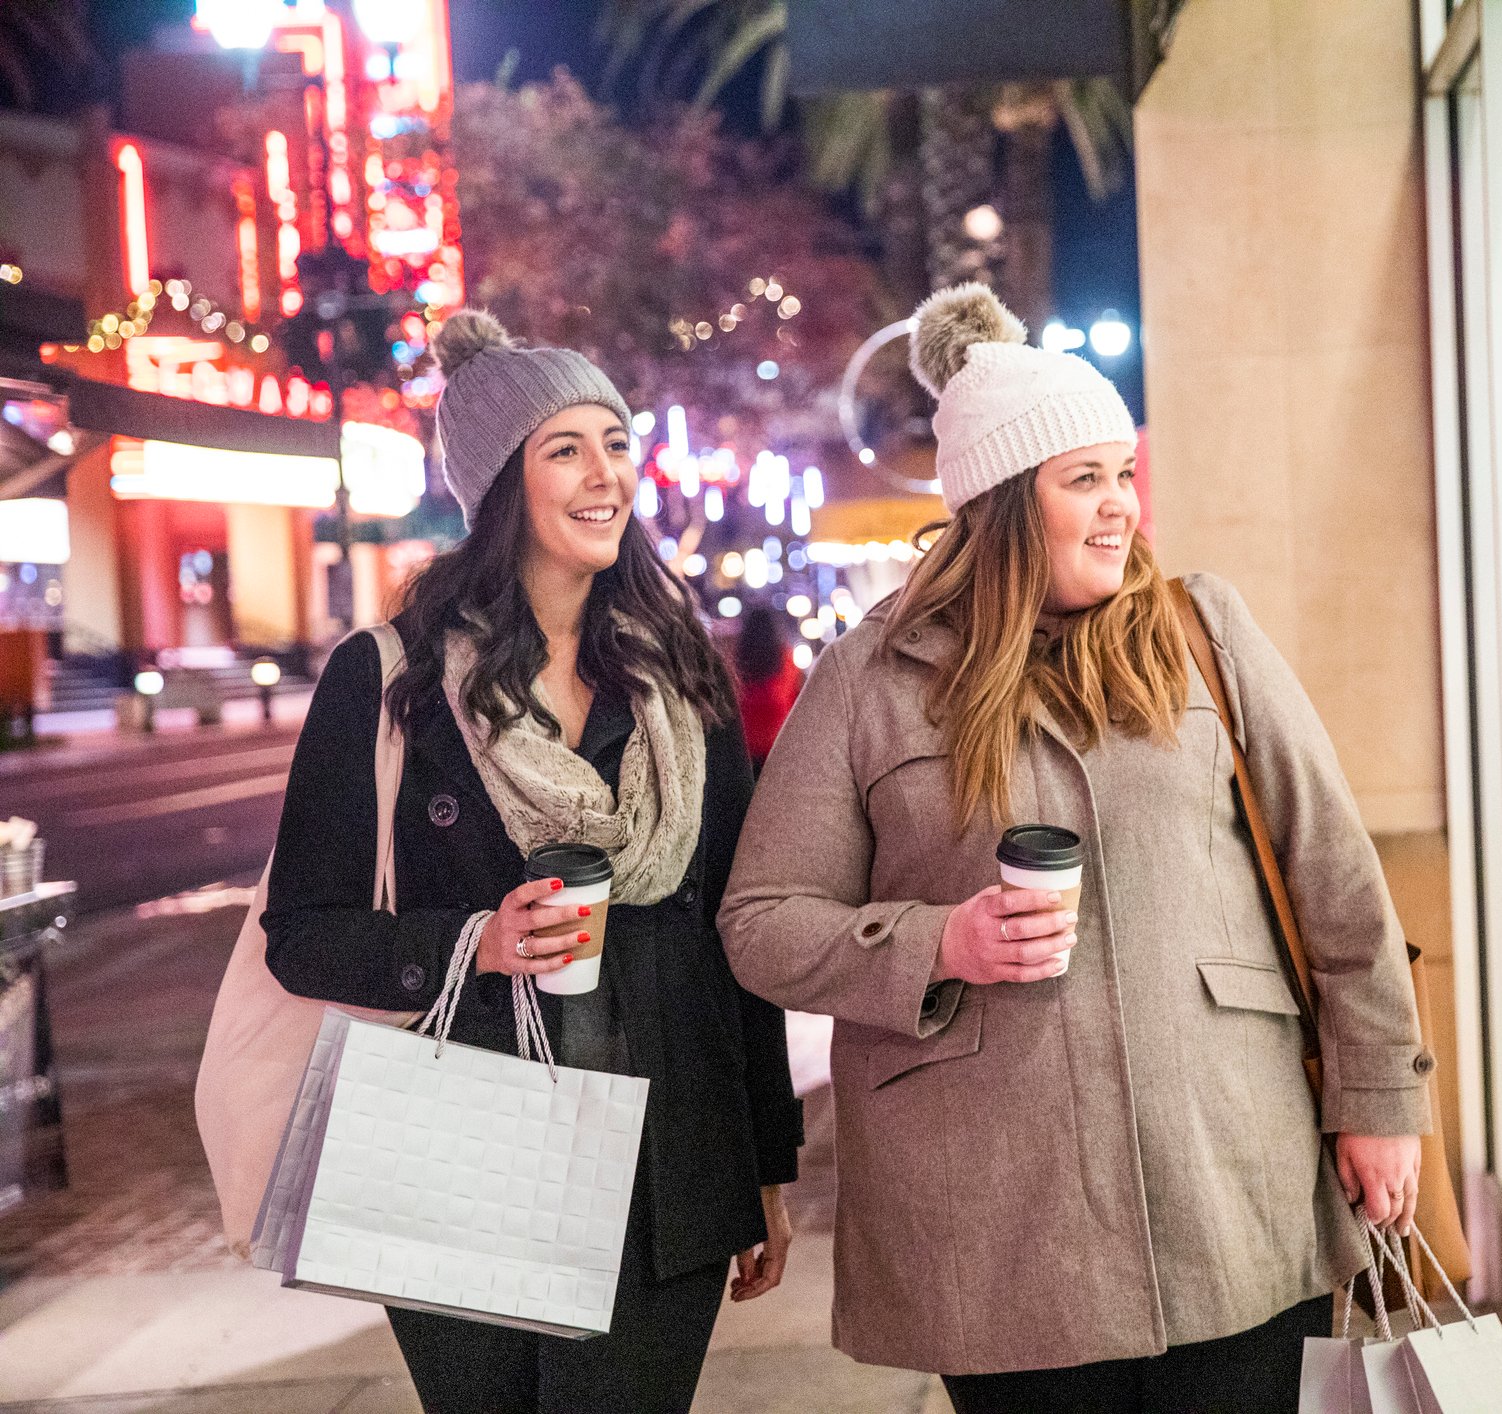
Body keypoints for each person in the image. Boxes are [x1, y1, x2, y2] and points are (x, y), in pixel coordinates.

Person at [718, 285, 1432, 1412]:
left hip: (1229, 1179)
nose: (1122, 509)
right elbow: (762, 920)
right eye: (1084, 479)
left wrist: (1381, 1097)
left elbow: (1333, 877)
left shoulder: (1203, 632)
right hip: (999, 1226)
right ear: (1003, 503)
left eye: (1124, 474)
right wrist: (935, 940)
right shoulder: (870, 678)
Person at [262, 310, 801, 1413]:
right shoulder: (390, 678)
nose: (606, 474)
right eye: (568, 448)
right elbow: (303, 929)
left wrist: (765, 1160)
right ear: (501, 481)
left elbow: (735, 926)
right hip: (472, 1153)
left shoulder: (681, 678)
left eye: (615, 442)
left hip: (671, 1151)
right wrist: (476, 940)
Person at [732, 605, 803, 771]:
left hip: (744, 754)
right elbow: (796, 704)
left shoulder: (736, 664)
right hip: (779, 751)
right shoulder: (787, 661)